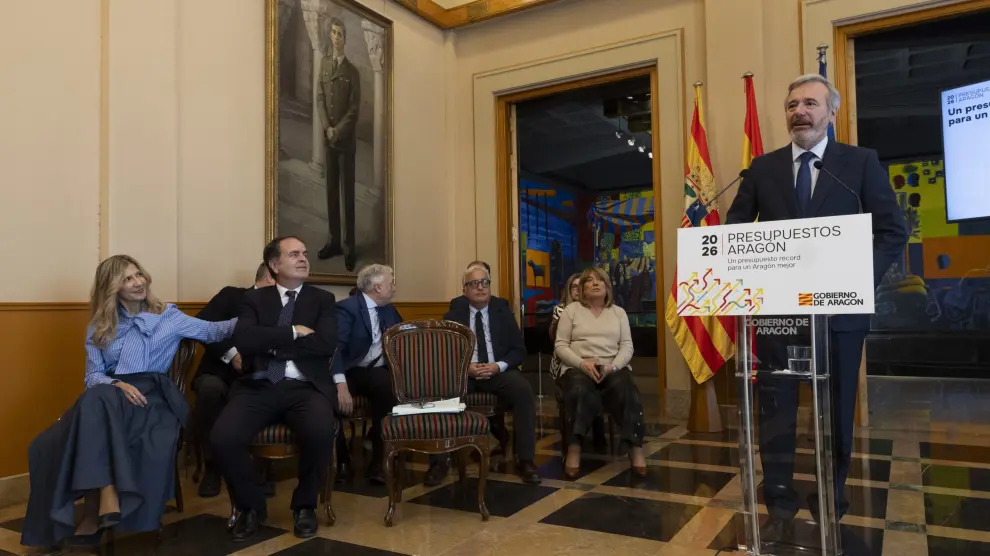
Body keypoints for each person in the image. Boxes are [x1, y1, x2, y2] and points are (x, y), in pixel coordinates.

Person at [725, 74, 907, 535]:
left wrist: (857, 278)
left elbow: (892, 230)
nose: (799, 112)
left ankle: (830, 498)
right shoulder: (762, 169)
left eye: (810, 103)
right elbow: (735, 232)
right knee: (777, 412)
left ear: (832, 112)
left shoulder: (859, 163)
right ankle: (779, 506)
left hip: (840, 317)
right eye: (792, 105)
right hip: (778, 316)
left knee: (837, 410)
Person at [21, 255, 236, 549]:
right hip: (110, 396)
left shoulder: (169, 316)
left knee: (94, 403)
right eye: (127, 279)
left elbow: (215, 331)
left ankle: (96, 510)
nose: (137, 283)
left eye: (138, 275)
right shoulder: (98, 327)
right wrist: (117, 384)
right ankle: (106, 492)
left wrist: (260, 315)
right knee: (46, 443)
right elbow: (93, 376)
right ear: (112, 288)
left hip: (151, 398)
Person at [211, 237, 339, 542]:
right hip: (258, 385)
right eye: (294, 254)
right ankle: (251, 507)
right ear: (274, 265)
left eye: (304, 254)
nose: (303, 259)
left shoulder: (322, 299)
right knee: (223, 438)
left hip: (305, 386)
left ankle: (305, 506)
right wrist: (293, 333)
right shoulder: (254, 299)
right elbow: (245, 340)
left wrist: (269, 341)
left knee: (321, 432)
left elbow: (325, 343)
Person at [427, 265, 541, 485]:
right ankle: (439, 462)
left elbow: (519, 350)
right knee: (441, 392)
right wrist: (465, 367)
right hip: (465, 374)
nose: (480, 287)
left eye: (484, 282)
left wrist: (498, 366)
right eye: (474, 283)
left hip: (497, 372)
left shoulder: (502, 311)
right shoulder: (454, 314)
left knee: (523, 391)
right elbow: (444, 352)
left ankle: (525, 460)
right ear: (465, 290)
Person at [191, 263, 275, 498]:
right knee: (211, 389)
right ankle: (212, 468)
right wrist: (231, 354)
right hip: (219, 372)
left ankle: (261, 467)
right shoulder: (232, 296)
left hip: (257, 376)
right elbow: (202, 325)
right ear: (270, 277)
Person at [554, 267, 645, 479]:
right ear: (582, 289)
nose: (595, 283)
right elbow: (560, 345)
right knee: (578, 388)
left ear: (607, 286)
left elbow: (627, 347)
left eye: (600, 280)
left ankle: (636, 448)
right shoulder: (571, 311)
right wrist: (582, 363)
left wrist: (613, 366)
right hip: (578, 367)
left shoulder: (618, 313)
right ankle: (574, 449)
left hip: (611, 368)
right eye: (589, 281)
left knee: (626, 387)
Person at [332, 264, 402, 484]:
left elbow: (402, 337)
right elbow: (336, 349)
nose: (394, 287)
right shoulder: (347, 308)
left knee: (388, 390)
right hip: (350, 370)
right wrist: (340, 384)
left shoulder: (390, 309)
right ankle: (342, 461)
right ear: (378, 287)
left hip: (377, 371)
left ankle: (379, 461)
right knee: (327, 397)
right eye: (391, 282)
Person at [316, 16, 361, 272]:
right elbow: (320, 98)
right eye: (333, 32)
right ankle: (333, 242)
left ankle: (349, 247)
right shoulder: (324, 64)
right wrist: (326, 127)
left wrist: (338, 131)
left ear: (345, 39)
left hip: (345, 143)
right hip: (329, 140)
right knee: (331, 192)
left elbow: (354, 110)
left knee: (347, 196)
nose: (336, 37)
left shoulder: (352, 72)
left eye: (340, 33)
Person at [549, 273, 582, 381]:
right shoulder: (560, 310)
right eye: (574, 286)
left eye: (581, 286)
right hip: (564, 359)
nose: (578, 289)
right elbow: (561, 341)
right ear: (569, 290)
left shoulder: (592, 309)